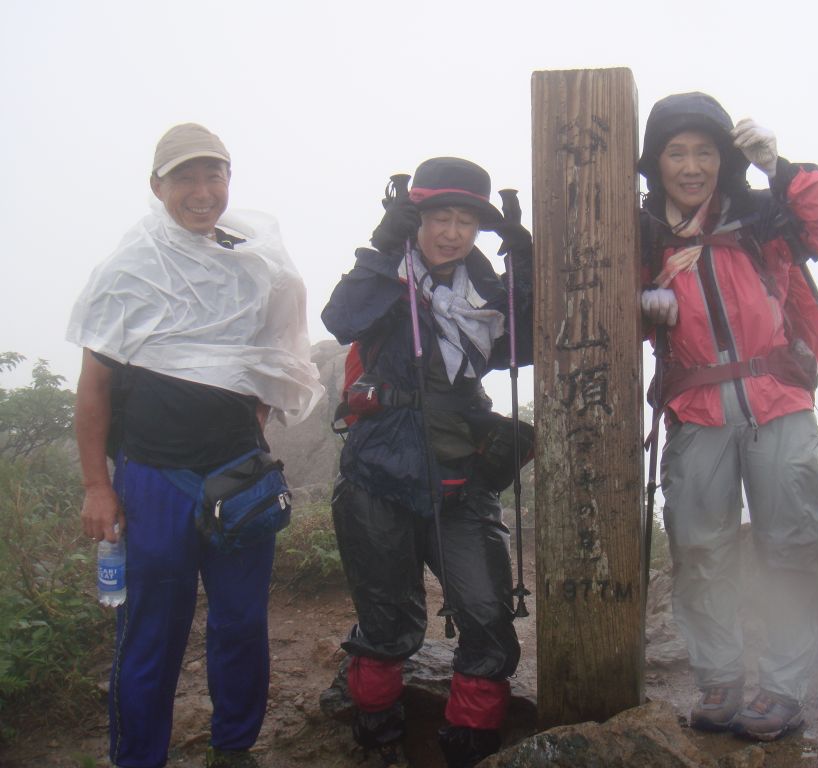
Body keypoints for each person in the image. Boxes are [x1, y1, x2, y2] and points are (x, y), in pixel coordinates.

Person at [67, 123, 323, 768]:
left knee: (240, 625)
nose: (202, 190)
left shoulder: (255, 267)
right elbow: (95, 388)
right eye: (185, 176)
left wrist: (245, 435)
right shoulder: (130, 271)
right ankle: (138, 758)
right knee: (151, 633)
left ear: (229, 182)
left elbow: (269, 364)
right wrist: (99, 485)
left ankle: (232, 748)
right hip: (153, 478)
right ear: (158, 186)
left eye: (215, 175)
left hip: (239, 474)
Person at [637, 93, 818, 741]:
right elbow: (608, 314)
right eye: (676, 152)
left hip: (779, 404)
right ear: (656, 163)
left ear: (723, 158)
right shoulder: (646, 232)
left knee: (788, 549)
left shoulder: (764, 214)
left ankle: (784, 689)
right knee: (699, 550)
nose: (690, 165)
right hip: (697, 410)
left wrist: (784, 169)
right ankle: (720, 678)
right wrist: (638, 306)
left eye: (704, 152)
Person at [321, 157, 533, 767]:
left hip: (460, 474)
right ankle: (379, 736)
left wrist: (526, 266)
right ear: (415, 219)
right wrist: (384, 246)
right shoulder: (389, 279)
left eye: (467, 220)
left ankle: (470, 742)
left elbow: (527, 341)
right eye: (439, 216)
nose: (452, 232)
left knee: (489, 618)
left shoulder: (487, 292)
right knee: (388, 625)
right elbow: (341, 320)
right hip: (377, 475)